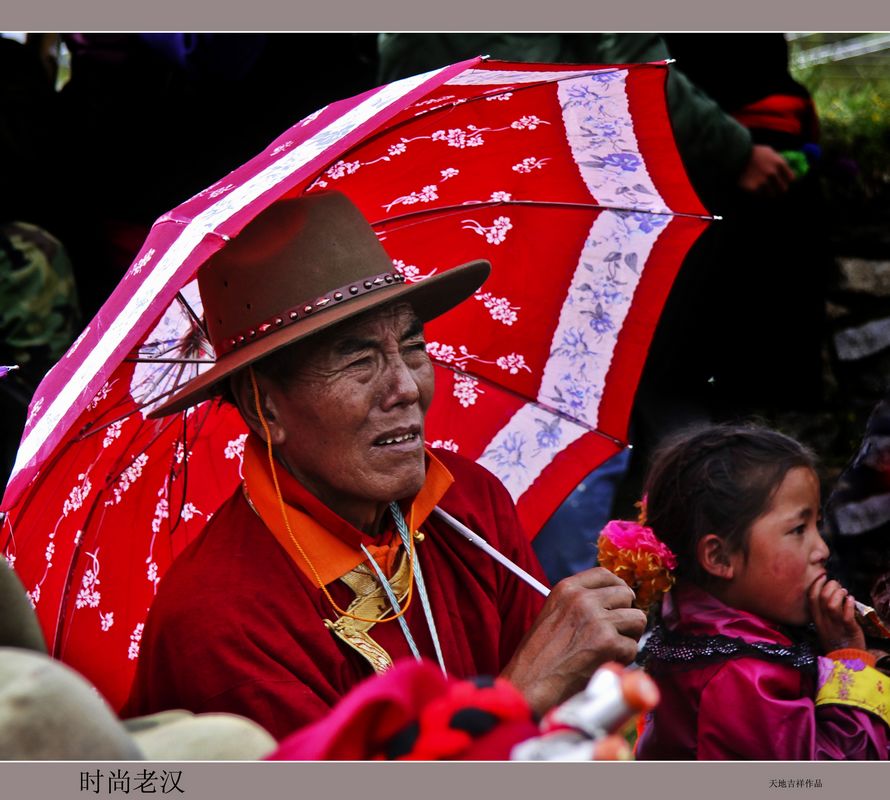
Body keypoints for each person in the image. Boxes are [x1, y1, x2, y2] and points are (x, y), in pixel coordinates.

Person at [123, 191, 647, 742]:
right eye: (358, 360)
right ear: (264, 408)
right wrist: (520, 696)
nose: (405, 387)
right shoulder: (222, 622)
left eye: (412, 346)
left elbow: (568, 721)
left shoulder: (467, 502)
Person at [632, 424, 890, 760]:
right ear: (720, 557)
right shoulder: (737, 678)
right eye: (798, 529)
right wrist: (847, 658)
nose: (821, 549)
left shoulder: (719, 639)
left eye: (817, 524)